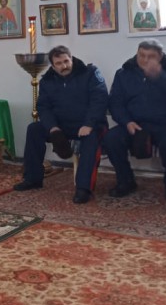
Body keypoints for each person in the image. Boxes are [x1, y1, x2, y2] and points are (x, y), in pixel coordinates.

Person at [13, 45, 109, 204]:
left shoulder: (90, 73)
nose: (64, 66)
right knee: (34, 129)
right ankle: (32, 179)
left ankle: (83, 188)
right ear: (52, 65)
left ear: (71, 58)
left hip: (88, 125)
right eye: (59, 63)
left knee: (91, 138)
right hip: (61, 125)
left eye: (66, 61)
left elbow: (100, 100)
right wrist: (53, 128)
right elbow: (43, 107)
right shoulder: (47, 81)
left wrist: (89, 124)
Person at [104, 39, 166, 202]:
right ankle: (126, 181)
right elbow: (115, 102)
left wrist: (160, 75)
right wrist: (126, 121)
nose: (145, 60)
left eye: (150, 56)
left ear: (161, 56)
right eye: (141, 55)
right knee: (111, 139)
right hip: (134, 123)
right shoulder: (123, 73)